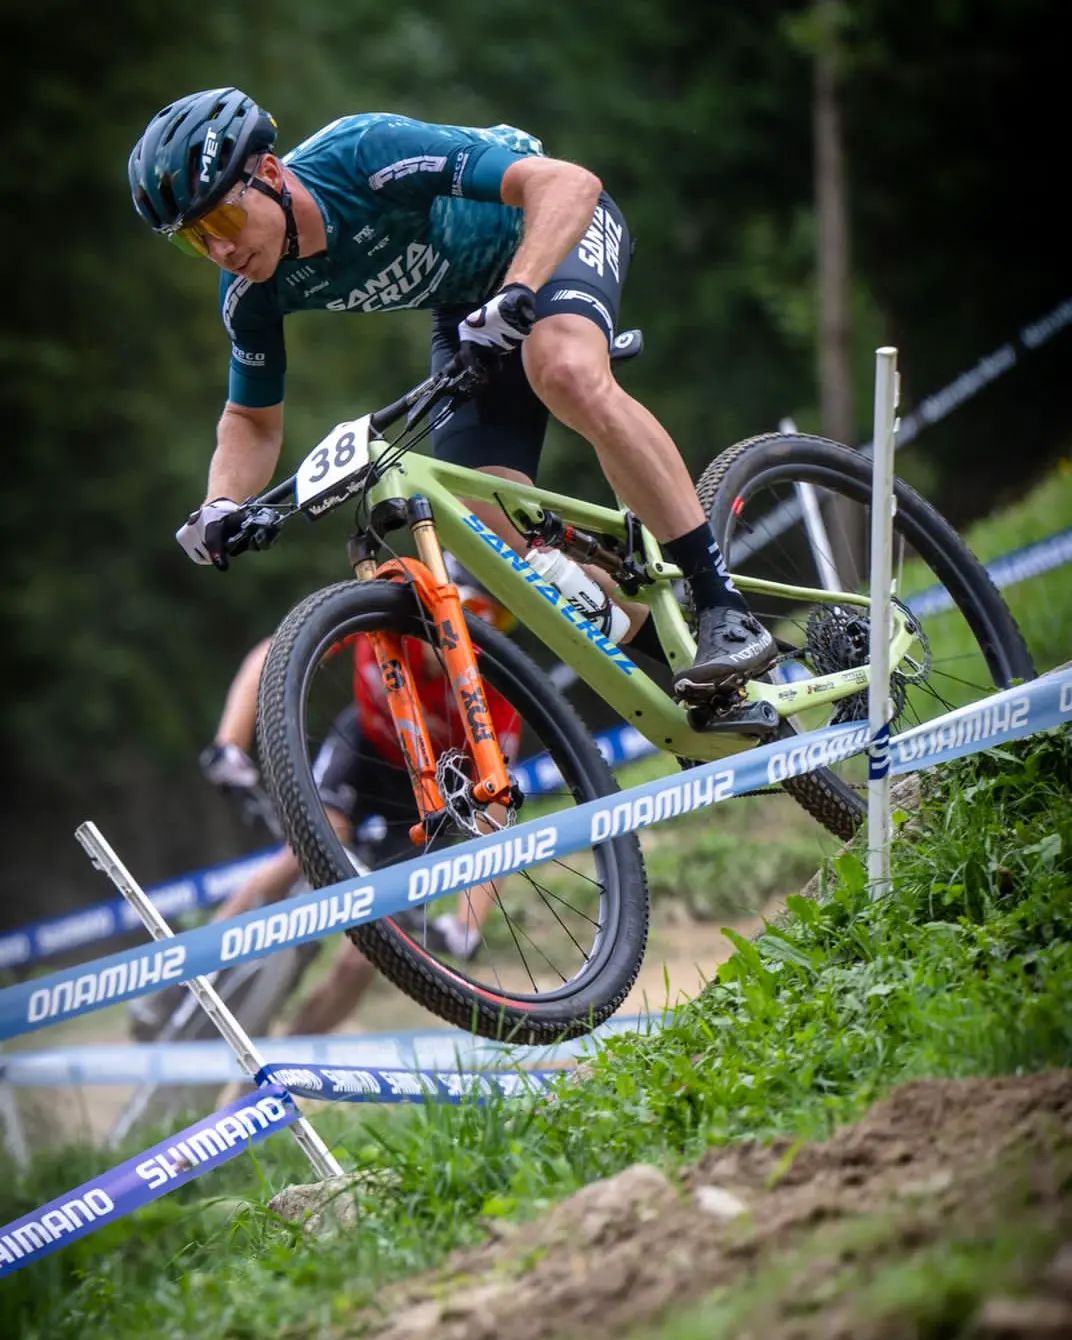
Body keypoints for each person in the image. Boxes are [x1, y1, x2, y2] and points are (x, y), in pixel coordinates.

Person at [128, 88, 776, 696]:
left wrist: (519, 289)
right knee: (481, 519)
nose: (221, 248)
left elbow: (567, 184)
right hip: (465, 306)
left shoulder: (364, 156)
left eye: (224, 216)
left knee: (563, 370)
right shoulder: (250, 292)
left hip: (547, 233)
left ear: (269, 172)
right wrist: (221, 502)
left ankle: (723, 606)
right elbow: (251, 418)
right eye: (194, 239)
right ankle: (697, 674)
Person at [129, 571, 523, 1040]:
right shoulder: (389, 617)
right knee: (302, 855)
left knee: (367, 959)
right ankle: (177, 980)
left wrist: (466, 924)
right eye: (471, 614)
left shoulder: (492, 694)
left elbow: (494, 815)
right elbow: (275, 653)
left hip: (425, 797)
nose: (475, 637)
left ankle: (288, 1060)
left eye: (496, 623)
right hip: (362, 753)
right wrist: (229, 743)